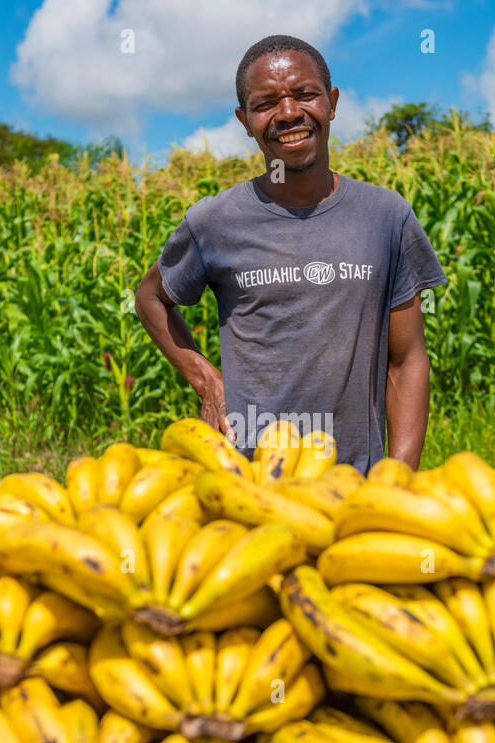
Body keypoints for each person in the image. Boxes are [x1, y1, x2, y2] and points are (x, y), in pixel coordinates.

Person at [135, 34, 446, 473]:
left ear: (332, 102)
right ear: (245, 120)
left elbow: (407, 359)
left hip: (355, 483)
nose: (288, 113)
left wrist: (396, 480)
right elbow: (150, 298)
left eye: (305, 95)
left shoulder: (385, 216)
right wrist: (207, 382)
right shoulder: (215, 221)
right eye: (266, 103)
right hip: (248, 479)